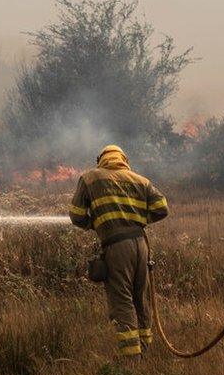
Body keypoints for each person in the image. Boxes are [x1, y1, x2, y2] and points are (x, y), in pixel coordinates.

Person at [69, 145, 169, 359]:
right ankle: (145, 351)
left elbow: (76, 215)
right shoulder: (140, 180)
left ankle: (132, 360)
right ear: (123, 159)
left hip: (116, 247)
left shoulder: (90, 178)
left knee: (122, 300)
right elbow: (162, 208)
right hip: (141, 245)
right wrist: (139, 221)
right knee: (140, 298)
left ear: (101, 160)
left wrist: (95, 224)